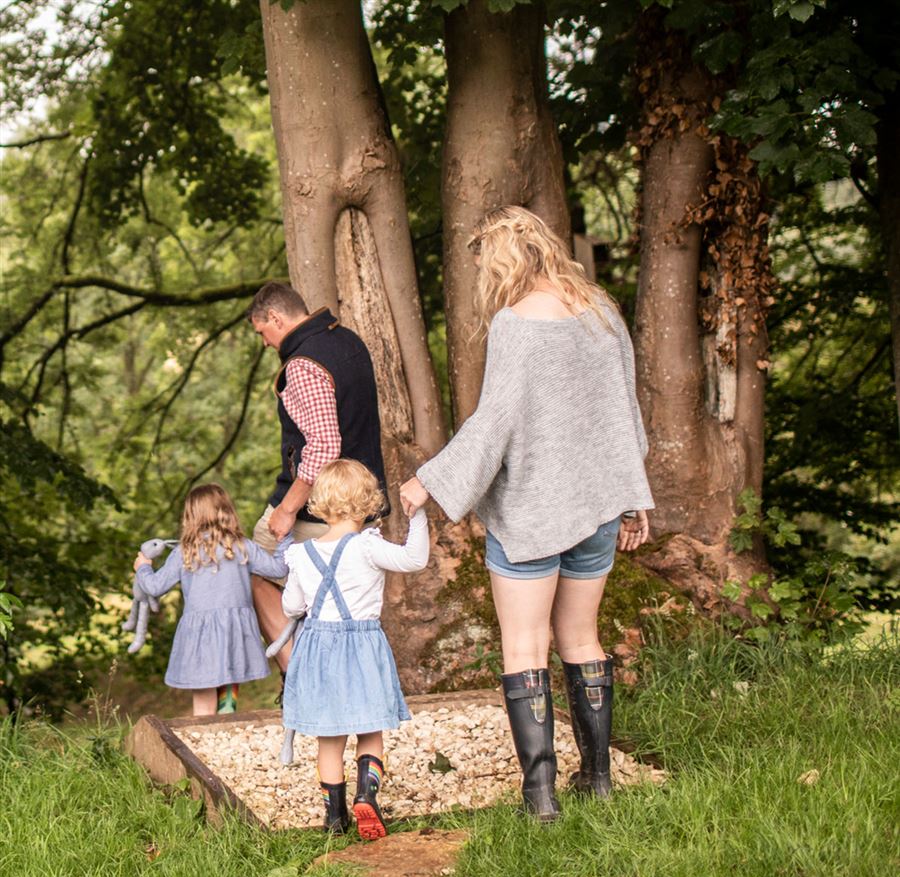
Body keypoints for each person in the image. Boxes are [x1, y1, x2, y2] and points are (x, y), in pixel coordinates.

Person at [399, 206, 654, 823]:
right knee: (582, 638)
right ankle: (598, 781)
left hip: (535, 513)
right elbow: (626, 410)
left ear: (505, 256)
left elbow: (494, 425)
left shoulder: (516, 324)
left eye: (484, 259)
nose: (483, 271)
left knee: (524, 645)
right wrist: (631, 494)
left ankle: (540, 800)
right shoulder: (602, 313)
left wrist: (427, 482)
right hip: (596, 507)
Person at [246, 281, 389, 693]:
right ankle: (344, 687)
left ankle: (301, 679)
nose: (265, 343)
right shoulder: (349, 341)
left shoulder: (303, 363)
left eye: (262, 332)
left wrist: (288, 508)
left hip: (317, 507)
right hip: (362, 498)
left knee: (254, 568)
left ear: (276, 318)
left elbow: (324, 445)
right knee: (345, 597)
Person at [280, 459, 428, 839]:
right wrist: (419, 516)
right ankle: (367, 795)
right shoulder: (368, 547)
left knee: (329, 740)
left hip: (318, 649)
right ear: (368, 503)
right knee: (369, 730)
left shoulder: (301, 554)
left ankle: (334, 818)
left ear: (320, 504)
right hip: (361, 647)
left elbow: (290, 607)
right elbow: (415, 559)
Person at [133, 483, 292, 716]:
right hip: (234, 633)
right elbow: (279, 569)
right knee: (229, 690)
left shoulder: (184, 552)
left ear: (190, 515)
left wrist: (143, 567)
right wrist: (284, 539)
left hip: (201, 637)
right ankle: (224, 732)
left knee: (204, 700)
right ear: (226, 511)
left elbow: (155, 587)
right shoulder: (241, 546)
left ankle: (205, 743)